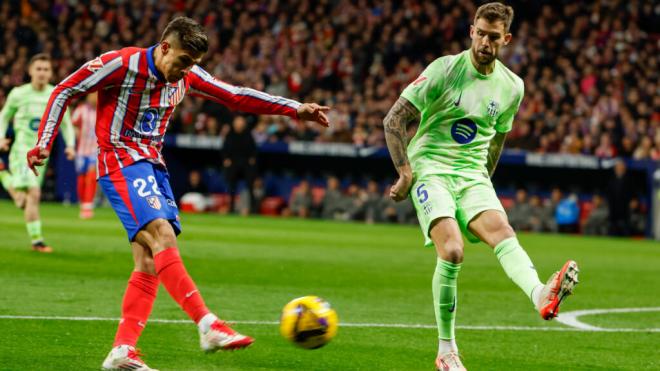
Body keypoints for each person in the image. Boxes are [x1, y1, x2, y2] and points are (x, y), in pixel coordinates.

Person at [27, 17, 329, 370]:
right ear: (165, 47)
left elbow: (235, 95)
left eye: (193, 65)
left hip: (154, 166)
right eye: (184, 60)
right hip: (120, 161)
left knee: (149, 261)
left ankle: (122, 351)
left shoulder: (188, 76)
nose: (186, 70)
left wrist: (295, 108)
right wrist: (43, 142)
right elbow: (65, 88)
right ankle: (207, 324)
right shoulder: (122, 63)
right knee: (162, 235)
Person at [382, 3, 579, 370]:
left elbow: (496, 140)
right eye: (481, 33)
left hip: (472, 173)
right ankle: (446, 351)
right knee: (453, 251)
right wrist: (406, 172)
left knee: (503, 231)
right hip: (432, 168)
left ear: (506, 39)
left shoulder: (512, 87)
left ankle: (540, 294)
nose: (485, 42)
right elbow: (394, 119)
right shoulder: (444, 70)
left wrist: (483, 185)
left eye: (494, 37)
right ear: (471, 30)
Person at [0, 53, 75, 252]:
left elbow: (66, 123)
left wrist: (70, 145)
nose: (42, 73)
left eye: (46, 69)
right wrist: (1, 137)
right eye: (38, 69)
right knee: (33, 194)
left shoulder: (56, 95)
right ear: (30, 71)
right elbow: (4, 115)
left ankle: (4, 176)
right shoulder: (18, 93)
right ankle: (38, 242)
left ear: (51, 73)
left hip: (42, 156)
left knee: (22, 200)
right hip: (22, 152)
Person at [222, 115, 257, 213]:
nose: (239, 125)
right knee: (231, 185)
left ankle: (253, 208)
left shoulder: (248, 134)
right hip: (233, 163)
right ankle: (231, 207)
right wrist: (226, 159)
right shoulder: (230, 134)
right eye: (237, 123)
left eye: (241, 123)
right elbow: (224, 149)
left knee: (250, 186)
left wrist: (252, 159)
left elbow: (254, 150)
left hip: (245, 163)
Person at [72, 93, 99, 219]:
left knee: (91, 176)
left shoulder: (102, 110)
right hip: (81, 150)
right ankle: (83, 203)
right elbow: (73, 125)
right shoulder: (81, 110)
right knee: (81, 178)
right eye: (94, 95)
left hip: (96, 150)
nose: (95, 98)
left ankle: (88, 205)